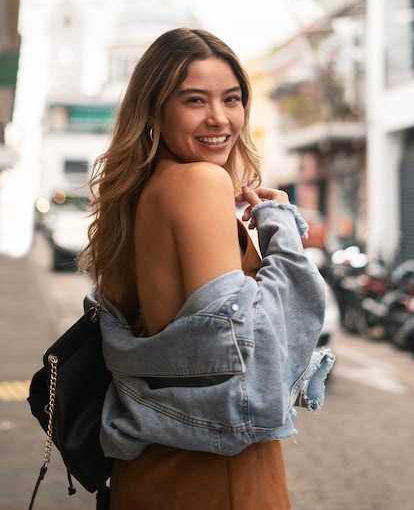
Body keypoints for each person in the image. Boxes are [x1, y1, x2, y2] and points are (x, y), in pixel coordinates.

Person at [80, 28, 332, 510]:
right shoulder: (201, 182)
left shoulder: (137, 197)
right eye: (195, 100)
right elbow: (250, 361)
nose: (220, 118)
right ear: (155, 108)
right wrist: (281, 230)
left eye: (232, 99)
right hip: (216, 473)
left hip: (150, 468)